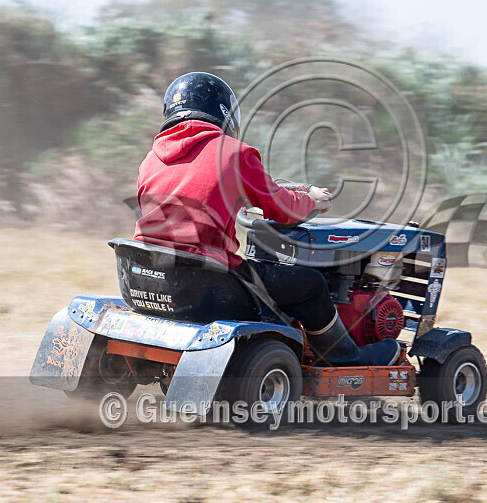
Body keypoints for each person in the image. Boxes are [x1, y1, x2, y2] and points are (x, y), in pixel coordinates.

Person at [134, 72, 400, 367]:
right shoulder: (234, 153)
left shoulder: (151, 159)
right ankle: (347, 357)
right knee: (311, 284)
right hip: (206, 281)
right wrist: (312, 201)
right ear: (223, 113)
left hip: (150, 276)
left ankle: (286, 339)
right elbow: (281, 208)